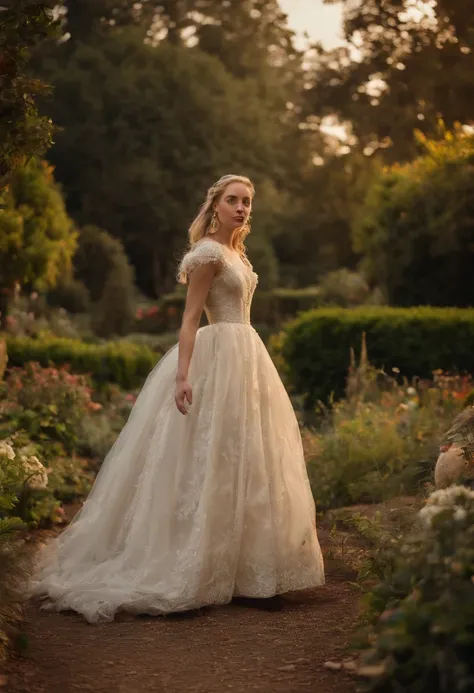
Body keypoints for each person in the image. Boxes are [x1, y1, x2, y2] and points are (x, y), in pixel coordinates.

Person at [30, 174, 325, 623]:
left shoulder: (237, 253)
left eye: (247, 201)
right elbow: (189, 320)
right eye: (233, 200)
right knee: (208, 460)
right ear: (216, 206)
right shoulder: (207, 253)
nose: (242, 208)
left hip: (248, 358)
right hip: (218, 360)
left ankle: (251, 574)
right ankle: (195, 567)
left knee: (246, 458)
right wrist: (183, 375)